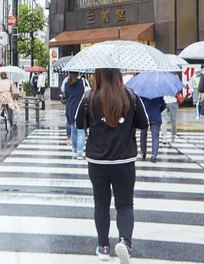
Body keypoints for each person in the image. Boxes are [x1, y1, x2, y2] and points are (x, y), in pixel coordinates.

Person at [76, 68, 148, 263]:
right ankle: (125, 242)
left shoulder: (90, 96)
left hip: (97, 160)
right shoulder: (131, 96)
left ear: (98, 75)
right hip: (124, 160)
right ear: (118, 75)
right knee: (125, 204)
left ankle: (103, 246)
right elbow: (144, 123)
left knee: (101, 204)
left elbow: (78, 124)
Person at [64, 73, 89, 159]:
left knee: (73, 130)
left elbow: (66, 97)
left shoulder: (66, 84)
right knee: (81, 131)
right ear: (78, 73)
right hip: (79, 109)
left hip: (70, 109)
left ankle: (74, 150)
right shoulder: (82, 82)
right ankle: (79, 152)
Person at [139, 96, 166, 163]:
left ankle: (143, 152)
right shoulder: (158, 94)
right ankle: (154, 155)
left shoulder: (143, 95)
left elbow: (140, 105)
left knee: (143, 134)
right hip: (156, 116)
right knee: (155, 136)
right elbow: (163, 106)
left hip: (145, 116)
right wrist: (158, 110)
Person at [60, 75, 71, 145]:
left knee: (69, 121)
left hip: (68, 103)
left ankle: (69, 137)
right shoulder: (80, 81)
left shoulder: (66, 80)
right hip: (77, 103)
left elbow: (62, 89)